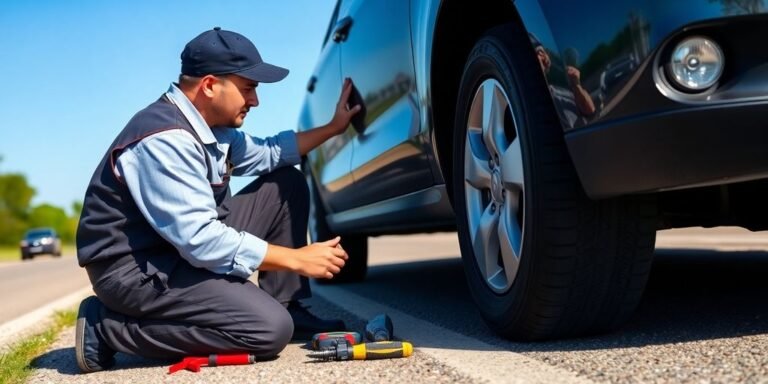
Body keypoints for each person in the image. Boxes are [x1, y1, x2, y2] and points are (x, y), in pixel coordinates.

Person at [74, 27, 361, 373]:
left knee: (286, 183)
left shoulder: (213, 129)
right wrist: (296, 259)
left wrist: (334, 127)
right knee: (269, 330)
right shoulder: (166, 139)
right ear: (210, 85)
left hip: (174, 250)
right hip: (134, 270)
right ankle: (105, 329)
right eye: (248, 88)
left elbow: (271, 153)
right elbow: (201, 240)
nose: (254, 101)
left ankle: (284, 302)